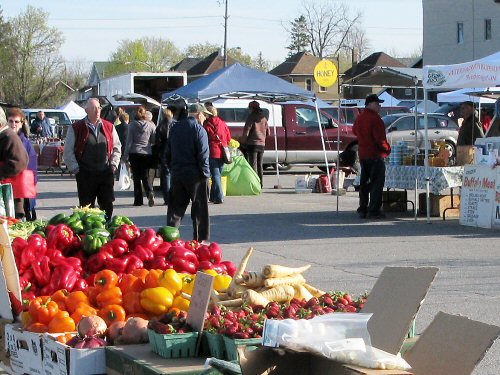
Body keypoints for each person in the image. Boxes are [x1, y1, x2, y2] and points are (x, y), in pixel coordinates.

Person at [63, 98, 121, 220]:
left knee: (107, 205)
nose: (97, 110)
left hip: (105, 173)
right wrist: (75, 168)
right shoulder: (76, 128)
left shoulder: (109, 127)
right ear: (86, 110)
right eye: (94, 108)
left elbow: (117, 147)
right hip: (85, 174)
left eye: (99, 107)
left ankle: (106, 228)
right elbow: (68, 151)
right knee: (87, 208)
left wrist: (114, 164)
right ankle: (89, 233)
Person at [166, 103, 210, 241]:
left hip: (177, 172)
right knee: (199, 209)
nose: (205, 118)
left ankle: (170, 238)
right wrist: (206, 174)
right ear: (199, 114)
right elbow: (203, 155)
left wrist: (172, 167)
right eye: (205, 115)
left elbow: (167, 151)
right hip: (195, 174)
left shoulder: (175, 128)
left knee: (175, 210)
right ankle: (199, 240)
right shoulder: (199, 129)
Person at [352, 94, 391, 220]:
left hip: (363, 154)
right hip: (375, 155)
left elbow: (354, 131)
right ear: (371, 104)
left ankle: (363, 208)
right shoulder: (375, 119)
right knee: (376, 184)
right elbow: (380, 139)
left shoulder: (360, 117)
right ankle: (373, 210)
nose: (379, 106)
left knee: (365, 183)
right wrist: (387, 148)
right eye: (377, 104)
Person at [7, 108, 38, 220]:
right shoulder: (3, 140)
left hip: (21, 191)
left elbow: (33, 171)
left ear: (22, 123)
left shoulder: (26, 144)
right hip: (5, 188)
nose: (13, 124)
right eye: (10, 121)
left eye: (16, 121)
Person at [122, 106, 156, 207]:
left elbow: (129, 142)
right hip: (146, 152)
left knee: (136, 177)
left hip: (134, 152)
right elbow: (154, 140)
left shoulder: (132, 125)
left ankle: (138, 200)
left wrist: (125, 156)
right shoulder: (151, 125)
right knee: (145, 175)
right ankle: (149, 192)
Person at [0, 107, 29, 218]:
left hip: (10, 196)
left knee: (10, 228)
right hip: (5, 193)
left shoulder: (9, 137)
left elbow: (20, 162)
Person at [203, 104, 231, 204]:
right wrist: (224, 144)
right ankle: (213, 196)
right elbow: (228, 137)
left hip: (213, 152)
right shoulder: (222, 123)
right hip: (223, 151)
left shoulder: (206, 124)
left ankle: (219, 196)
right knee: (218, 174)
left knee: (215, 175)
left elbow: (204, 139)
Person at [241, 101, 270, 188]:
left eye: (249, 108)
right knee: (260, 165)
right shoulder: (263, 118)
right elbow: (268, 132)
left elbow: (247, 130)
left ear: (252, 108)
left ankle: (255, 184)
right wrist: (262, 137)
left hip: (252, 143)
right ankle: (261, 183)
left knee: (253, 164)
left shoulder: (251, 117)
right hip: (262, 144)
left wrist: (243, 141)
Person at [156, 107, 175, 205]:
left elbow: (158, 142)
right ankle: (175, 196)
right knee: (174, 174)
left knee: (166, 175)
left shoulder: (160, 126)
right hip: (175, 151)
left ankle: (167, 198)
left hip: (164, 152)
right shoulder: (175, 124)